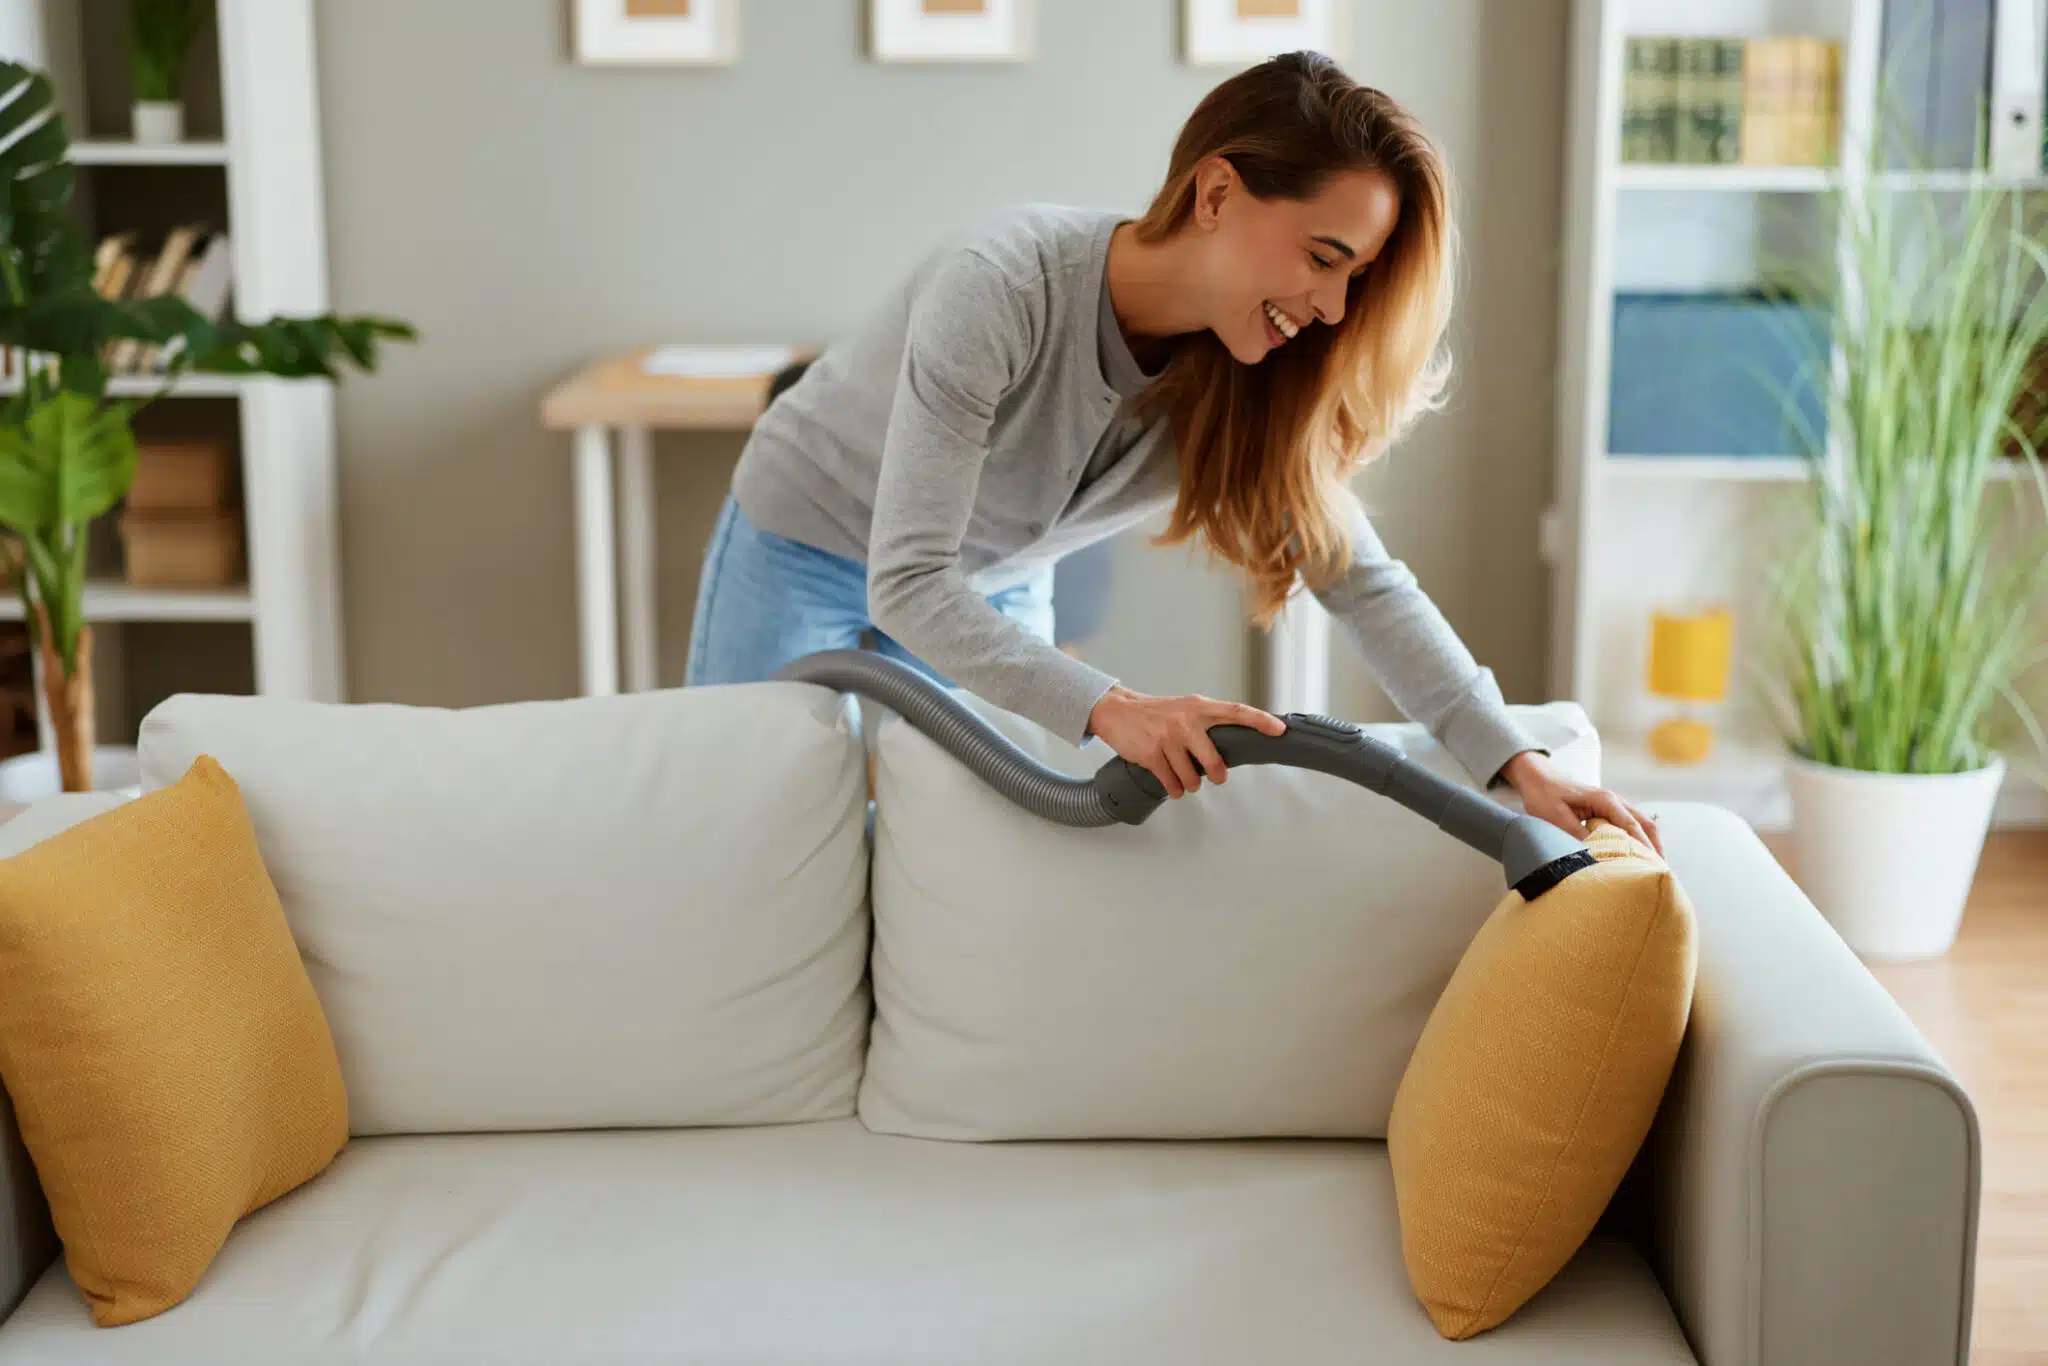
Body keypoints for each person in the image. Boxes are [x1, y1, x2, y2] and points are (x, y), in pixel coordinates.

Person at [687, 51, 1659, 853]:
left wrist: (1515, 760)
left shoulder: (1247, 380)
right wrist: (1113, 704)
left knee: (966, 852)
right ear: (1215, 192)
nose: (1330, 309)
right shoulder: (998, 284)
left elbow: (1362, 583)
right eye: (1323, 258)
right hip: (803, 539)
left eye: (1353, 279)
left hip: (995, 582)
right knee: (749, 822)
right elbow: (905, 582)